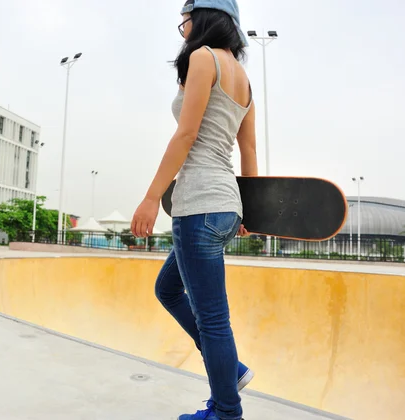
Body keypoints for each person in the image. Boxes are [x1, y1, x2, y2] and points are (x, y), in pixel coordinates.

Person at [130, 0, 258, 419]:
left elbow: (186, 135)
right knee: (167, 290)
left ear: (202, 16)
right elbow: (248, 149)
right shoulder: (244, 80)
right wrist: (249, 211)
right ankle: (230, 369)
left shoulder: (203, 59)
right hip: (225, 208)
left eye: (185, 15)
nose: (181, 24)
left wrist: (152, 197)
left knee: (213, 321)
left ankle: (225, 410)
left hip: (199, 205)